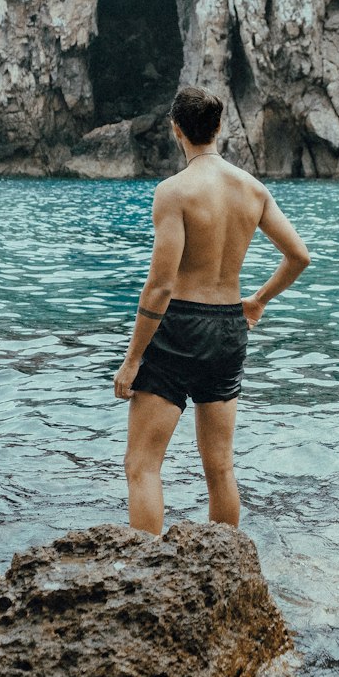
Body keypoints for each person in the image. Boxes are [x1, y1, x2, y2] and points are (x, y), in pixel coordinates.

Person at [113, 85, 310, 534]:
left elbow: (161, 287)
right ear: (220, 127)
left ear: (176, 130)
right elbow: (299, 256)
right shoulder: (253, 190)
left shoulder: (174, 192)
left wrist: (132, 360)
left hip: (180, 327)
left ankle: (144, 576)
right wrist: (258, 300)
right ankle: (226, 566)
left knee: (142, 465)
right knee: (219, 467)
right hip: (228, 330)